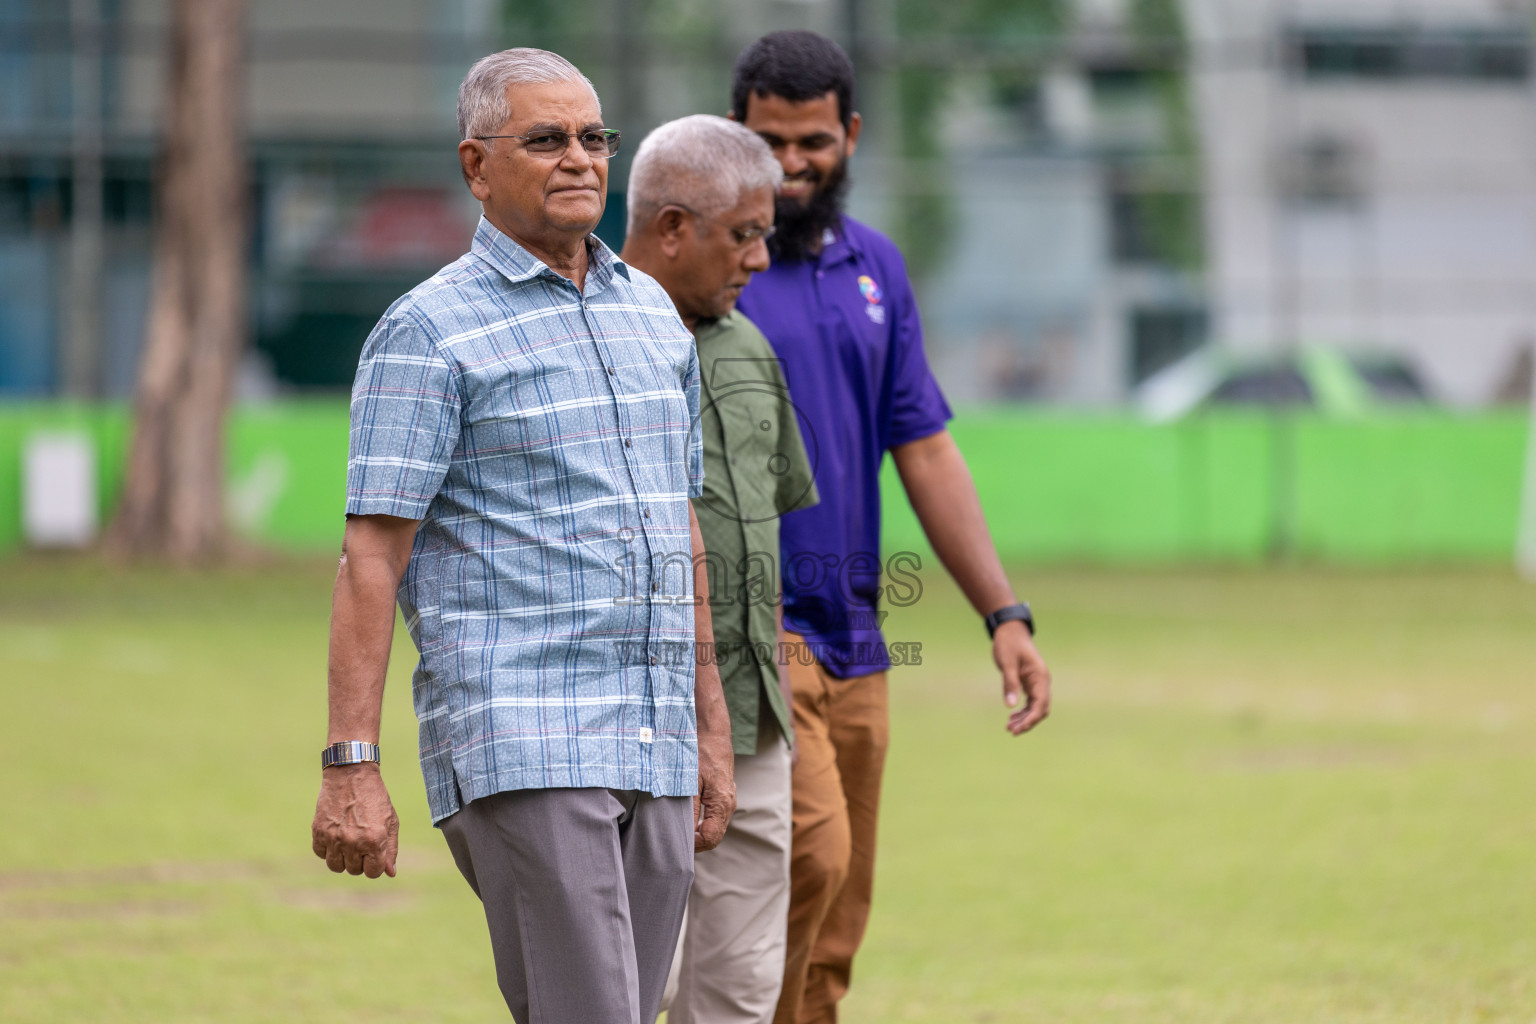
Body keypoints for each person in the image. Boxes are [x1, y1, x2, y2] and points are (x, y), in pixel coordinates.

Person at [308, 48, 735, 1024]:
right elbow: (372, 555)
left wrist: (711, 727)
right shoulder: (428, 332)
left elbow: (682, 529)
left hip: (656, 735)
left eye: (594, 138)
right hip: (524, 731)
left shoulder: (654, 320)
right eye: (546, 140)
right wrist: (351, 765)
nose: (580, 159)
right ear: (476, 166)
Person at [729, 31, 1055, 1024]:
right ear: (733, 133)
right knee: (805, 860)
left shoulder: (879, 269)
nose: (790, 166)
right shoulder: (697, 265)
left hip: (860, 638)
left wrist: (1002, 609)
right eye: (769, 141)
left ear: (852, 136)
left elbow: (925, 448)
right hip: (754, 629)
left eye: (812, 142)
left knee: (839, 918)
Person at [619, 115, 818, 1024]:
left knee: (739, 990)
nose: (761, 261)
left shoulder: (746, 350)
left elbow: (766, 532)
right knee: (622, 988)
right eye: (744, 236)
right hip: (628, 726)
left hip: (755, 720)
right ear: (671, 228)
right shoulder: (592, 342)